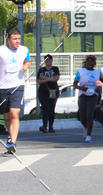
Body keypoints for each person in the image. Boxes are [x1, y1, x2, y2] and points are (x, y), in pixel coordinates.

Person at [0, 27, 32, 155]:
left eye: (19, 39)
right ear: (8, 39)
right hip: (2, 87)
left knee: (14, 113)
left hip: (18, 85)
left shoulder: (24, 50)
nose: (17, 41)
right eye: (14, 39)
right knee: (7, 116)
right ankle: (10, 136)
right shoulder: (2, 51)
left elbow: (28, 61)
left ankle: (12, 142)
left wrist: (26, 66)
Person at [74, 54, 102, 142]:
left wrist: (99, 89)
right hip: (83, 95)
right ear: (86, 62)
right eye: (88, 62)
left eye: (92, 62)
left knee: (90, 115)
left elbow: (102, 84)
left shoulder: (98, 73)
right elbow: (75, 84)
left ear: (94, 63)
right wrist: (81, 88)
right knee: (82, 117)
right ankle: (85, 127)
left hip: (93, 96)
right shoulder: (80, 72)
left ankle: (89, 135)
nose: (90, 64)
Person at [37, 53, 60, 133]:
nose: (48, 61)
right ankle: (44, 126)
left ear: (52, 60)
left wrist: (45, 78)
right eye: (46, 60)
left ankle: (51, 127)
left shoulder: (55, 69)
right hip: (43, 92)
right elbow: (39, 81)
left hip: (53, 91)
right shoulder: (41, 70)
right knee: (45, 108)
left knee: (51, 109)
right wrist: (50, 79)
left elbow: (56, 79)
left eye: (49, 59)